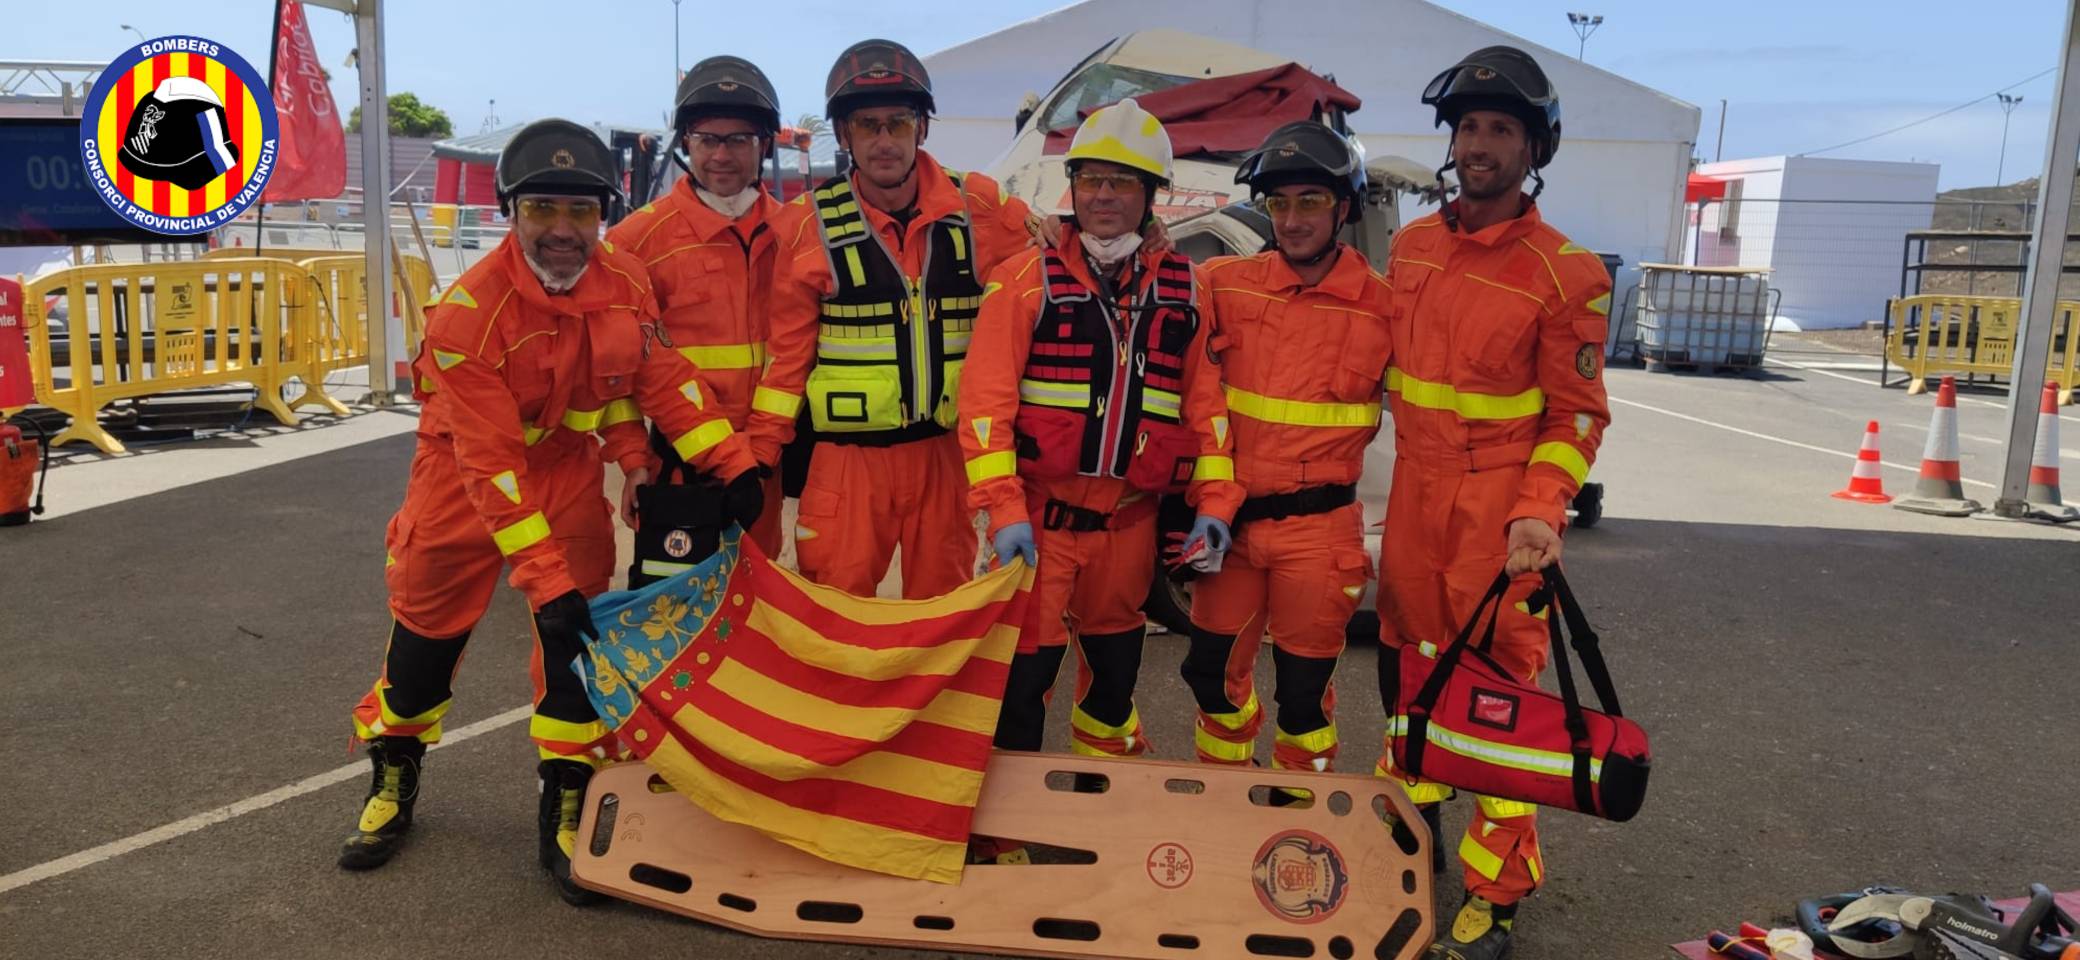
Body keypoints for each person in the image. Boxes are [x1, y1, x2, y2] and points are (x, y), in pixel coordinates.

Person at [337, 119, 764, 904]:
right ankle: (394, 780)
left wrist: (729, 462)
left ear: (603, 213)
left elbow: (658, 375)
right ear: (511, 212)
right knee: (423, 653)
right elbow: (492, 466)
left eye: (580, 211)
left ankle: (565, 805)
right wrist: (542, 578)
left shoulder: (626, 282)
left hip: (567, 479)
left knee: (574, 658)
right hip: (462, 486)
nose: (563, 231)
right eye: (543, 211)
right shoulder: (469, 313)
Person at [1375, 47, 1612, 960]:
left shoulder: (1567, 272)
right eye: (1469, 128)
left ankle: (1497, 891)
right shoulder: (1411, 249)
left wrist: (1540, 509)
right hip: (1416, 496)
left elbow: (1577, 412)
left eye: (1501, 131)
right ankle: (1417, 822)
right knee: (1407, 667)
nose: (1480, 145)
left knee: (1502, 701)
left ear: (1533, 147)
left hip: (1498, 511)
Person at [960, 98, 1241, 768]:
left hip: (1129, 528)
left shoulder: (1187, 289)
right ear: (1072, 186)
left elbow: (1207, 411)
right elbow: (984, 406)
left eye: (1122, 182)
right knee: (1019, 692)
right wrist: (1001, 509)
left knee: (1112, 692)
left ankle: (1094, 816)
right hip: (1039, 529)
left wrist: (1217, 506)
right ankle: (1009, 840)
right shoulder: (1025, 280)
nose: (1104, 196)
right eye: (1091, 180)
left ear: (1150, 196)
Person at [760, 38, 1038, 598]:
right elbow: (785, 362)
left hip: (946, 456)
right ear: (844, 135)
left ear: (922, 128)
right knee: (834, 614)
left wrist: (1147, 238)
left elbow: (1061, 249)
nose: (884, 141)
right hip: (847, 464)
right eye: (867, 125)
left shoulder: (980, 207)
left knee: (943, 616)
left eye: (899, 123)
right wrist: (758, 459)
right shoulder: (804, 226)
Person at [1179, 121, 1392, 778]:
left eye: (1311, 201)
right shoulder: (1221, 283)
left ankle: (1299, 826)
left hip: (1321, 533)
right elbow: (1141, 284)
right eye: (1279, 203)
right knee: (1209, 677)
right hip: (1233, 530)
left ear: (1344, 207)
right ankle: (1222, 799)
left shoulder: (1386, 309)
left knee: (1303, 701)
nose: (1293, 219)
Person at [608, 55, 793, 579]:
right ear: (686, 143)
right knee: (675, 614)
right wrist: (633, 459)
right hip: (677, 465)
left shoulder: (797, 236)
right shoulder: (635, 242)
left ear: (764, 145)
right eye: (708, 138)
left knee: (755, 602)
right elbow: (616, 371)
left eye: (739, 139)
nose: (721, 154)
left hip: (763, 464)